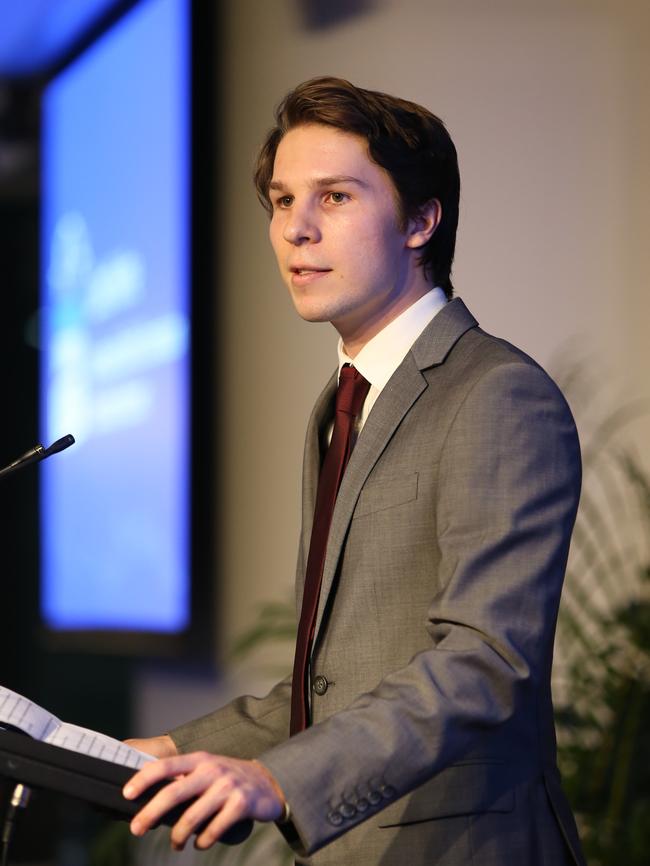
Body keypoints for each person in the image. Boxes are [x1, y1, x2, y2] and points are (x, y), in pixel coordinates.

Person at [123, 77, 586, 866]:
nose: (296, 229)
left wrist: (280, 779)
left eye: (334, 197)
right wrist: (165, 750)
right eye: (281, 199)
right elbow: (341, 677)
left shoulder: (496, 394)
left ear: (420, 220)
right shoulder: (342, 402)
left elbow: (485, 661)